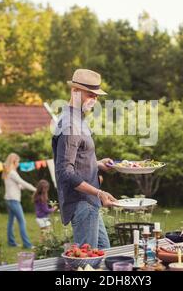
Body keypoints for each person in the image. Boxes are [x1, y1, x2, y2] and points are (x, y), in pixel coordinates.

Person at [52, 68, 117, 249]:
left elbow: (75, 160)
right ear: (75, 91)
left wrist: (97, 164)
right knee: (87, 264)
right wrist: (99, 193)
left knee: (104, 254)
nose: (94, 100)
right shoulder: (70, 124)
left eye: (96, 96)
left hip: (89, 203)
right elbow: (65, 171)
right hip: (83, 203)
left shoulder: (77, 119)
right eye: (90, 95)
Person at [2, 153, 36, 248]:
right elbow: (22, 182)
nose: (18, 163)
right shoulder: (12, 172)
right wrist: (35, 189)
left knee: (11, 221)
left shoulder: (8, 171)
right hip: (13, 200)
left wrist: (20, 187)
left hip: (9, 199)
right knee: (22, 221)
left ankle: (11, 242)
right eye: (18, 161)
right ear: (14, 161)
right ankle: (27, 244)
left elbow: (14, 184)